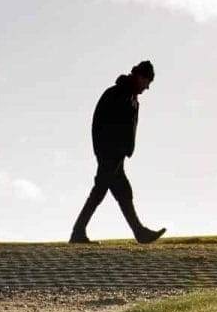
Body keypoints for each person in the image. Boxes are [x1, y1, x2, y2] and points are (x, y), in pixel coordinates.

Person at [69, 60, 166, 245]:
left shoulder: (129, 97)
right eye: (147, 82)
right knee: (100, 191)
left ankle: (139, 232)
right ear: (139, 76)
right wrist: (106, 152)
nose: (147, 87)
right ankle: (78, 232)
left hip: (116, 155)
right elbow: (99, 124)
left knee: (123, 192)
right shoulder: (117, 94)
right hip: (110, 153)